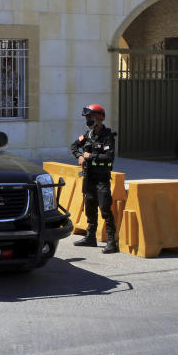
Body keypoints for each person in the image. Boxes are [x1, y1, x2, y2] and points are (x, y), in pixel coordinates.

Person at [69, 104, 118, 253]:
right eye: (87, 118)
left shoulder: (107, 136)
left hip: (101, 177)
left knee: (104, 208)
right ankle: (90, 237)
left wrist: (91, 156)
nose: (88, 120)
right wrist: (79, 157)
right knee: (89, 206)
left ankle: (111, 241)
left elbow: (109, 157)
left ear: (98, 118)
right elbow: (74, 146)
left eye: (90, 117)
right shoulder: (88, 135)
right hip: (89, 177)